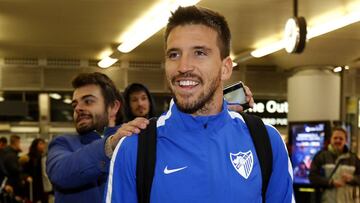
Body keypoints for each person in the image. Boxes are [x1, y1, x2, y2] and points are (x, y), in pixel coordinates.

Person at [105, 6, 294, 203]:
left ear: (225, 68)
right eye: (174, 55)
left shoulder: (266, 141)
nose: (183, 67)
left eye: (199, 53)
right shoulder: (134, 148)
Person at [46, 72, 148, 203]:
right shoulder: (62, 143)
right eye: (74, 105)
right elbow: (60, 174)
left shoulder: (134, 140)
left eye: (88, 101)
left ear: (113, 107)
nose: (78, 108)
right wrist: (109, 146)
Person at [309, 127, 360, 203]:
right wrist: (331, 182)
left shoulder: (353, 159)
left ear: (346, 141)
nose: (338, 140)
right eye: (335, 138)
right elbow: (312, 177)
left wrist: (352, 178)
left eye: (341, 138)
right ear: (331, 139)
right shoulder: (321, 156)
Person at [22, 138, 51, 203]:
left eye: (44, 144)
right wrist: (26, 177)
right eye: (41, 144)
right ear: (35, 145)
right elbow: (22, 171)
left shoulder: (44, 157)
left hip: (43, 184)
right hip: (33, 185)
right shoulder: (28, 157)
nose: (43, 145)